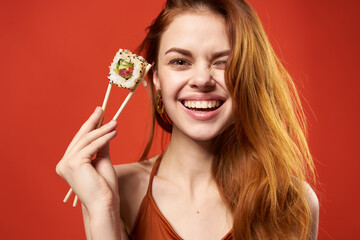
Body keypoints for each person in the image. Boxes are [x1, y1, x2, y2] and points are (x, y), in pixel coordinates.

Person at [56, 0, 319, 239]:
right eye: (180, 61)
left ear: (247, 76)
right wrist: (103, 208)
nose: (202, 80)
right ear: (155, 77)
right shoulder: (113, 191)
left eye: (223, 62)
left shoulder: (292, 202)